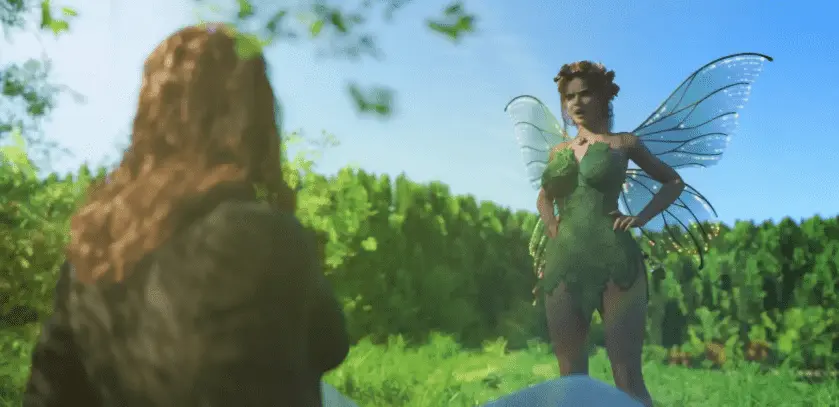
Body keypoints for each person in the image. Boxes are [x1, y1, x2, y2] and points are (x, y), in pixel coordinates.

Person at [23, 23, 349, 406]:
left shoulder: (95, 251)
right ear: (253, 122)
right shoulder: (266, 235)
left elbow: (47, 392)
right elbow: (332, 346)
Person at [538, 61, 678, 407]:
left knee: (627, 379)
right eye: (569, 97)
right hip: (562, 265)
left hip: (616, 264)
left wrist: (641, 217)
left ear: (603, 97)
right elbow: (544, 197)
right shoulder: (558, 152)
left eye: (585, 94)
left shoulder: (624, 144)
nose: (576, 103)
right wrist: (552, 225)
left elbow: (673, 182)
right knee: (570, 380)